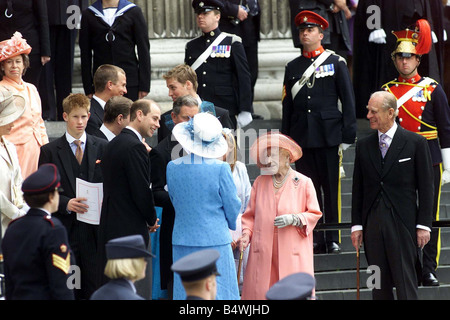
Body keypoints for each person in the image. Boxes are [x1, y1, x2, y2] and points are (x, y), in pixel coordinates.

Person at [381, 19, 450, 287]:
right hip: (399, 159)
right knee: (404, 214)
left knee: (428, 215)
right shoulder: (387, 92)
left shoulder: (432, 88)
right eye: (400, 57)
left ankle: (429, 268)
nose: (404, 62)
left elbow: (445, 128)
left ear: (418, 59)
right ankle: (408, 265)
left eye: (409, 57)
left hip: (430, 158)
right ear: (394, 60)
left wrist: (448, 165)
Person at [281, 10, 356, 254]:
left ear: (321, 34)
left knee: (331, 188)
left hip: (328, 135)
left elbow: (348, 100)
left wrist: (347, 134)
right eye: (302, 30)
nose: (305, 33)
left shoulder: (335, 62)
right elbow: (287, 108)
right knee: (306, 190)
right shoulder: (292, 66)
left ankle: (332, 236)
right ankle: (313, 235)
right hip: (302, 137)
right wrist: (285, 141)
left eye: (310, 30)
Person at [351, 91, 434, 300]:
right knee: (377, 284)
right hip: (372, 226)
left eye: (373, 111)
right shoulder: (363, 146)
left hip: (402, 224)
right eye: (368, 111)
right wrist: (357, 226)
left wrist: (424, 225)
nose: (368, 115)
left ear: (390, 113)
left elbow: (426, 188)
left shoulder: (415, 143)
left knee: (405, 284)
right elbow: (358, 189)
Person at [38, 93, 108, 300]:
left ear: (89, 116)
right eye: (75, 117)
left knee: (94, 287)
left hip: (95, 232)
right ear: (65, 116)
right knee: (69, 287)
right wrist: (66, 202)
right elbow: (43, 193)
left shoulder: (102, 146)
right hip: (66, 231)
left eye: (84, 117)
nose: (80, 122)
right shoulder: (49, 151)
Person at [237, 132, 322, 300]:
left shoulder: (304, 182)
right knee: (261, 292)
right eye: (267, 156)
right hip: (263, 250)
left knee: (290, 293)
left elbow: (314, 213)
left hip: (291, 250)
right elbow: (249, 216)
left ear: (287, 158)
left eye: (273, 155)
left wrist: (295, 219)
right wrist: (246, 234)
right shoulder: (260, 182)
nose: (269, 160)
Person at [166, 112, 241, 300]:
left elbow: (175, 199)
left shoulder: (172, 166)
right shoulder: (220, 168)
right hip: (215, 238)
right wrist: (230, 223)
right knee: (221, 293)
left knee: (187, 293)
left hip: (183, 238)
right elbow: (232, 204)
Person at [97, 99, 160, 298]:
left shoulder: (115, 142)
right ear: (139, 114)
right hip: (130, 231)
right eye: (155, 118)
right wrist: (151, 219)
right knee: (135, 290)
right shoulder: (134, 146)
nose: (158, 124)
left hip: (111, 227)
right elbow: (141, 191)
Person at [352, 0, 445, 118]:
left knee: (421, 65)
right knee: (392, 64)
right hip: (389, 21)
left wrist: (432, 26)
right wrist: (374, 26)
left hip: (419, 25)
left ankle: (422, 112)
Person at [150, 95, 200, 299]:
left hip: (201, 228)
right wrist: (182, 199)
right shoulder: (160, 152)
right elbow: (155, 193)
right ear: (173, 117)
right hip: (175, 228)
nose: (191, 124)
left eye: (195, 119)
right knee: (177, 285)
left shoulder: (205, 147)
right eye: (187, 118)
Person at [1, 163, 74, 300]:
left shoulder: (13, 228)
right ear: (51, 197)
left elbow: (10, 279)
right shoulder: (53, 229)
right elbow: (61, 281)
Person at [185, 0, 253, 130]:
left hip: (224, 109)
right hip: (198, 109)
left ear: (217, 16)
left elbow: (243, 77)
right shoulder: (191, 46)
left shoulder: (232, 42)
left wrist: (245, 109)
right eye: (198, 13)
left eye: (205, 13)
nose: (200, 16)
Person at [0, 32, 49, 179]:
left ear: (24, 64)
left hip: (36, 147)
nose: (14, 66)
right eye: (9, 62)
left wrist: (46, 146)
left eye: (18, 61)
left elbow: (39, 121)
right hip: (12, 148)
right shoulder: (1, 89)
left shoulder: (31, 88)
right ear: (3, 66)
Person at [79, 0, 150, 102]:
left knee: (128, 115)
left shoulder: (134, 11)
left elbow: (143, 50)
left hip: (129, 81)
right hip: (101, 83)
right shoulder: (89, 14)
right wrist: (88, 86)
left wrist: (144, 84)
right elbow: (85, 54)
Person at [39, 0, 90, 121]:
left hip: (71, 10)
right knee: (46, 67)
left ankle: (65, 110)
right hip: (45, 11)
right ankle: (48, 112)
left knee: (66, 66)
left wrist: (83, 12)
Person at [159, 64, 233, 142]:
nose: (169, 93)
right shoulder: (165, 119)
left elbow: (232, 150)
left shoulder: (220, 115)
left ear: (188, 85)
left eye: (173, 88)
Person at [222, 128, 251, 290]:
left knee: (242, 275)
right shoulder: (212, 168)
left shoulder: (240, 167)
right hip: (220, 226)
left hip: (240, 224)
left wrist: (243, 232)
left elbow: (248, 199)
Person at [219, 0, 261, 112]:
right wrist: (234, 10)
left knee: (251, 72)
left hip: (250, 28)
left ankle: (247, 108)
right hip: (231, 28)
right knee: (233, 73)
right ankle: (235, 108)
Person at [0, 0, 51, 88]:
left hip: (29, 48)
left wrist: (45, 51)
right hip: (2, 49)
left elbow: (42, 18)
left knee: (29, 88)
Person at [90, 234, 155, 300]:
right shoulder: (132, 298)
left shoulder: (97, 294)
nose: (145, 263)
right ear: (133, 264)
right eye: (142, 260)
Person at [0, 89, 27, 237]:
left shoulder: (10, 146)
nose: (13, 123)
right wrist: (15, 213)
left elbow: (18, 180)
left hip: (13, 222)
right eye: (8, 119)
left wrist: (21, 207)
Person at [85, 64, 128, 136]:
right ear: (110, 85)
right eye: (123, 85)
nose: (125, 91)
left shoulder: (121, 112)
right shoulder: (89, 116)